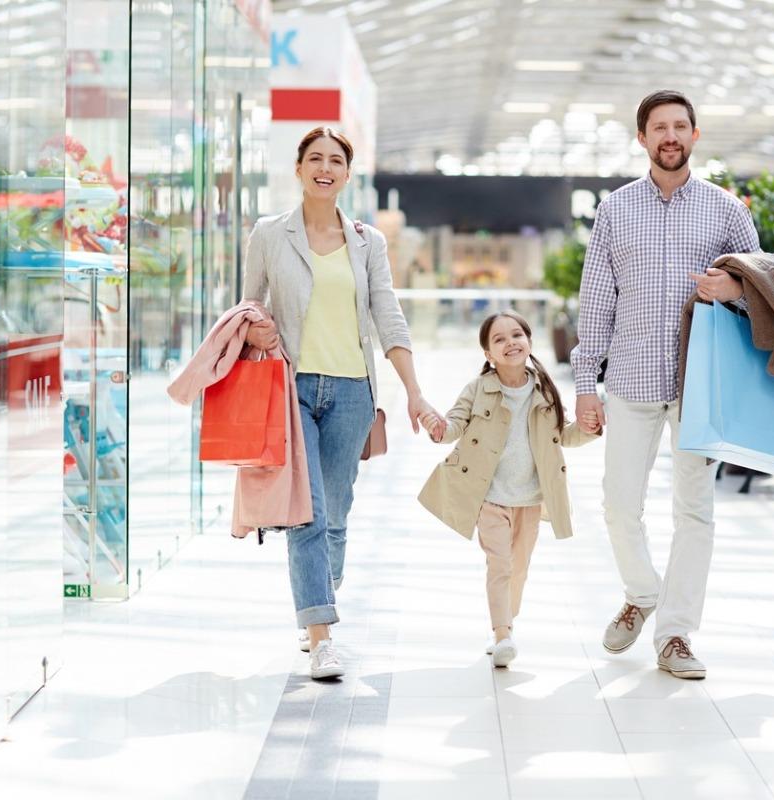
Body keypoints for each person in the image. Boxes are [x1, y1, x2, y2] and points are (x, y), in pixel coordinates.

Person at [571, 90, 761, 680]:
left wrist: (736, 290)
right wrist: (584, 382)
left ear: (695, 136)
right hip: (629, 377)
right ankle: (642, 592)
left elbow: (766, 284)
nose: (670, 136)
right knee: (618, 504)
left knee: (694, 511)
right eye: (659, 127)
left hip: (699, 383)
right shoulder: (616, 210)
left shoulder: (727, 211)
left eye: (680, 126)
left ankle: (675, 634)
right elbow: (597, 297)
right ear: (643, 139)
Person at [242, 126, 439, 680]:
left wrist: (414, 391)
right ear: (299, 169)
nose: (325, 168)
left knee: (337, 513)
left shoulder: (367, 241)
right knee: (307, 512)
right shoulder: (269, 234)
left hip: (353, 390)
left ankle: (316, 603)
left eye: (336, 161)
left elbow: (387, 316)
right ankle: (322, 633)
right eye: (315, 159)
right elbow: (248, 304)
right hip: (292, 388)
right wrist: (257, 331)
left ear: (347, 175)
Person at [418, 311, 599, 667]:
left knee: (519, 568)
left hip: (530, 499)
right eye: (498, 339)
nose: (510, 343)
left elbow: (563, 434)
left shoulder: (544, 388)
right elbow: (453, 426)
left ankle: (505, 624)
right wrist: (438, 427)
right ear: (488, 354)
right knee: (499, 564)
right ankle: (503, 633)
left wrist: (590, 427)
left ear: (529, 342)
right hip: (489, 497)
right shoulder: (478, 389)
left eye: (516, 335)